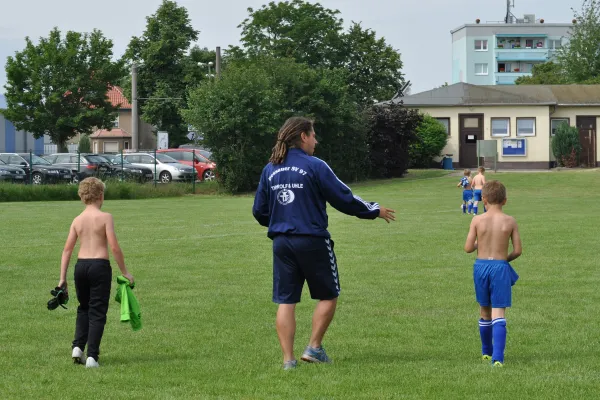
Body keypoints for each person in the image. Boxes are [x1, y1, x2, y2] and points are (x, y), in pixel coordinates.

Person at [252, 117, 396, 370]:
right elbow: (344, 197)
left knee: (286, 300)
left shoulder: (270, 169)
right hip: (312, 241)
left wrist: (281, 222)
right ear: (303, 136)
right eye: (314, 135)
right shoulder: (315, 166)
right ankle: (314, 348)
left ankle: (288, 361)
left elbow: (259, 211)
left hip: (282, 242)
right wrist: (374, 210)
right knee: (329, 295)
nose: (316, 141)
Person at [58, 177, 134, 368]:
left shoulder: (77, 220)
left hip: (80, 267)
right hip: (100, 267)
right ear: (101, 195)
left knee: (83, 308)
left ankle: (77, 347)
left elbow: (67, 250)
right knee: (98, 312)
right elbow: (114, 248)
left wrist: (62, 279)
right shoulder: (105, 217)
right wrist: (125, 271)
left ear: (82, 197)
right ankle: (92, 357)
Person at [464, 180, 522, 367]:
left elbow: (467, 248)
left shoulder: (477, 220)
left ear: (484, 199)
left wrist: (480, 244)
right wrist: (503, 260)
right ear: (505, 201)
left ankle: (485, 352)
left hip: (480, 267)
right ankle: (498, 358)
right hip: (500, 268)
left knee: (484, 310)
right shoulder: (510, 221)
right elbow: (518, 250)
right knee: (499, 312)